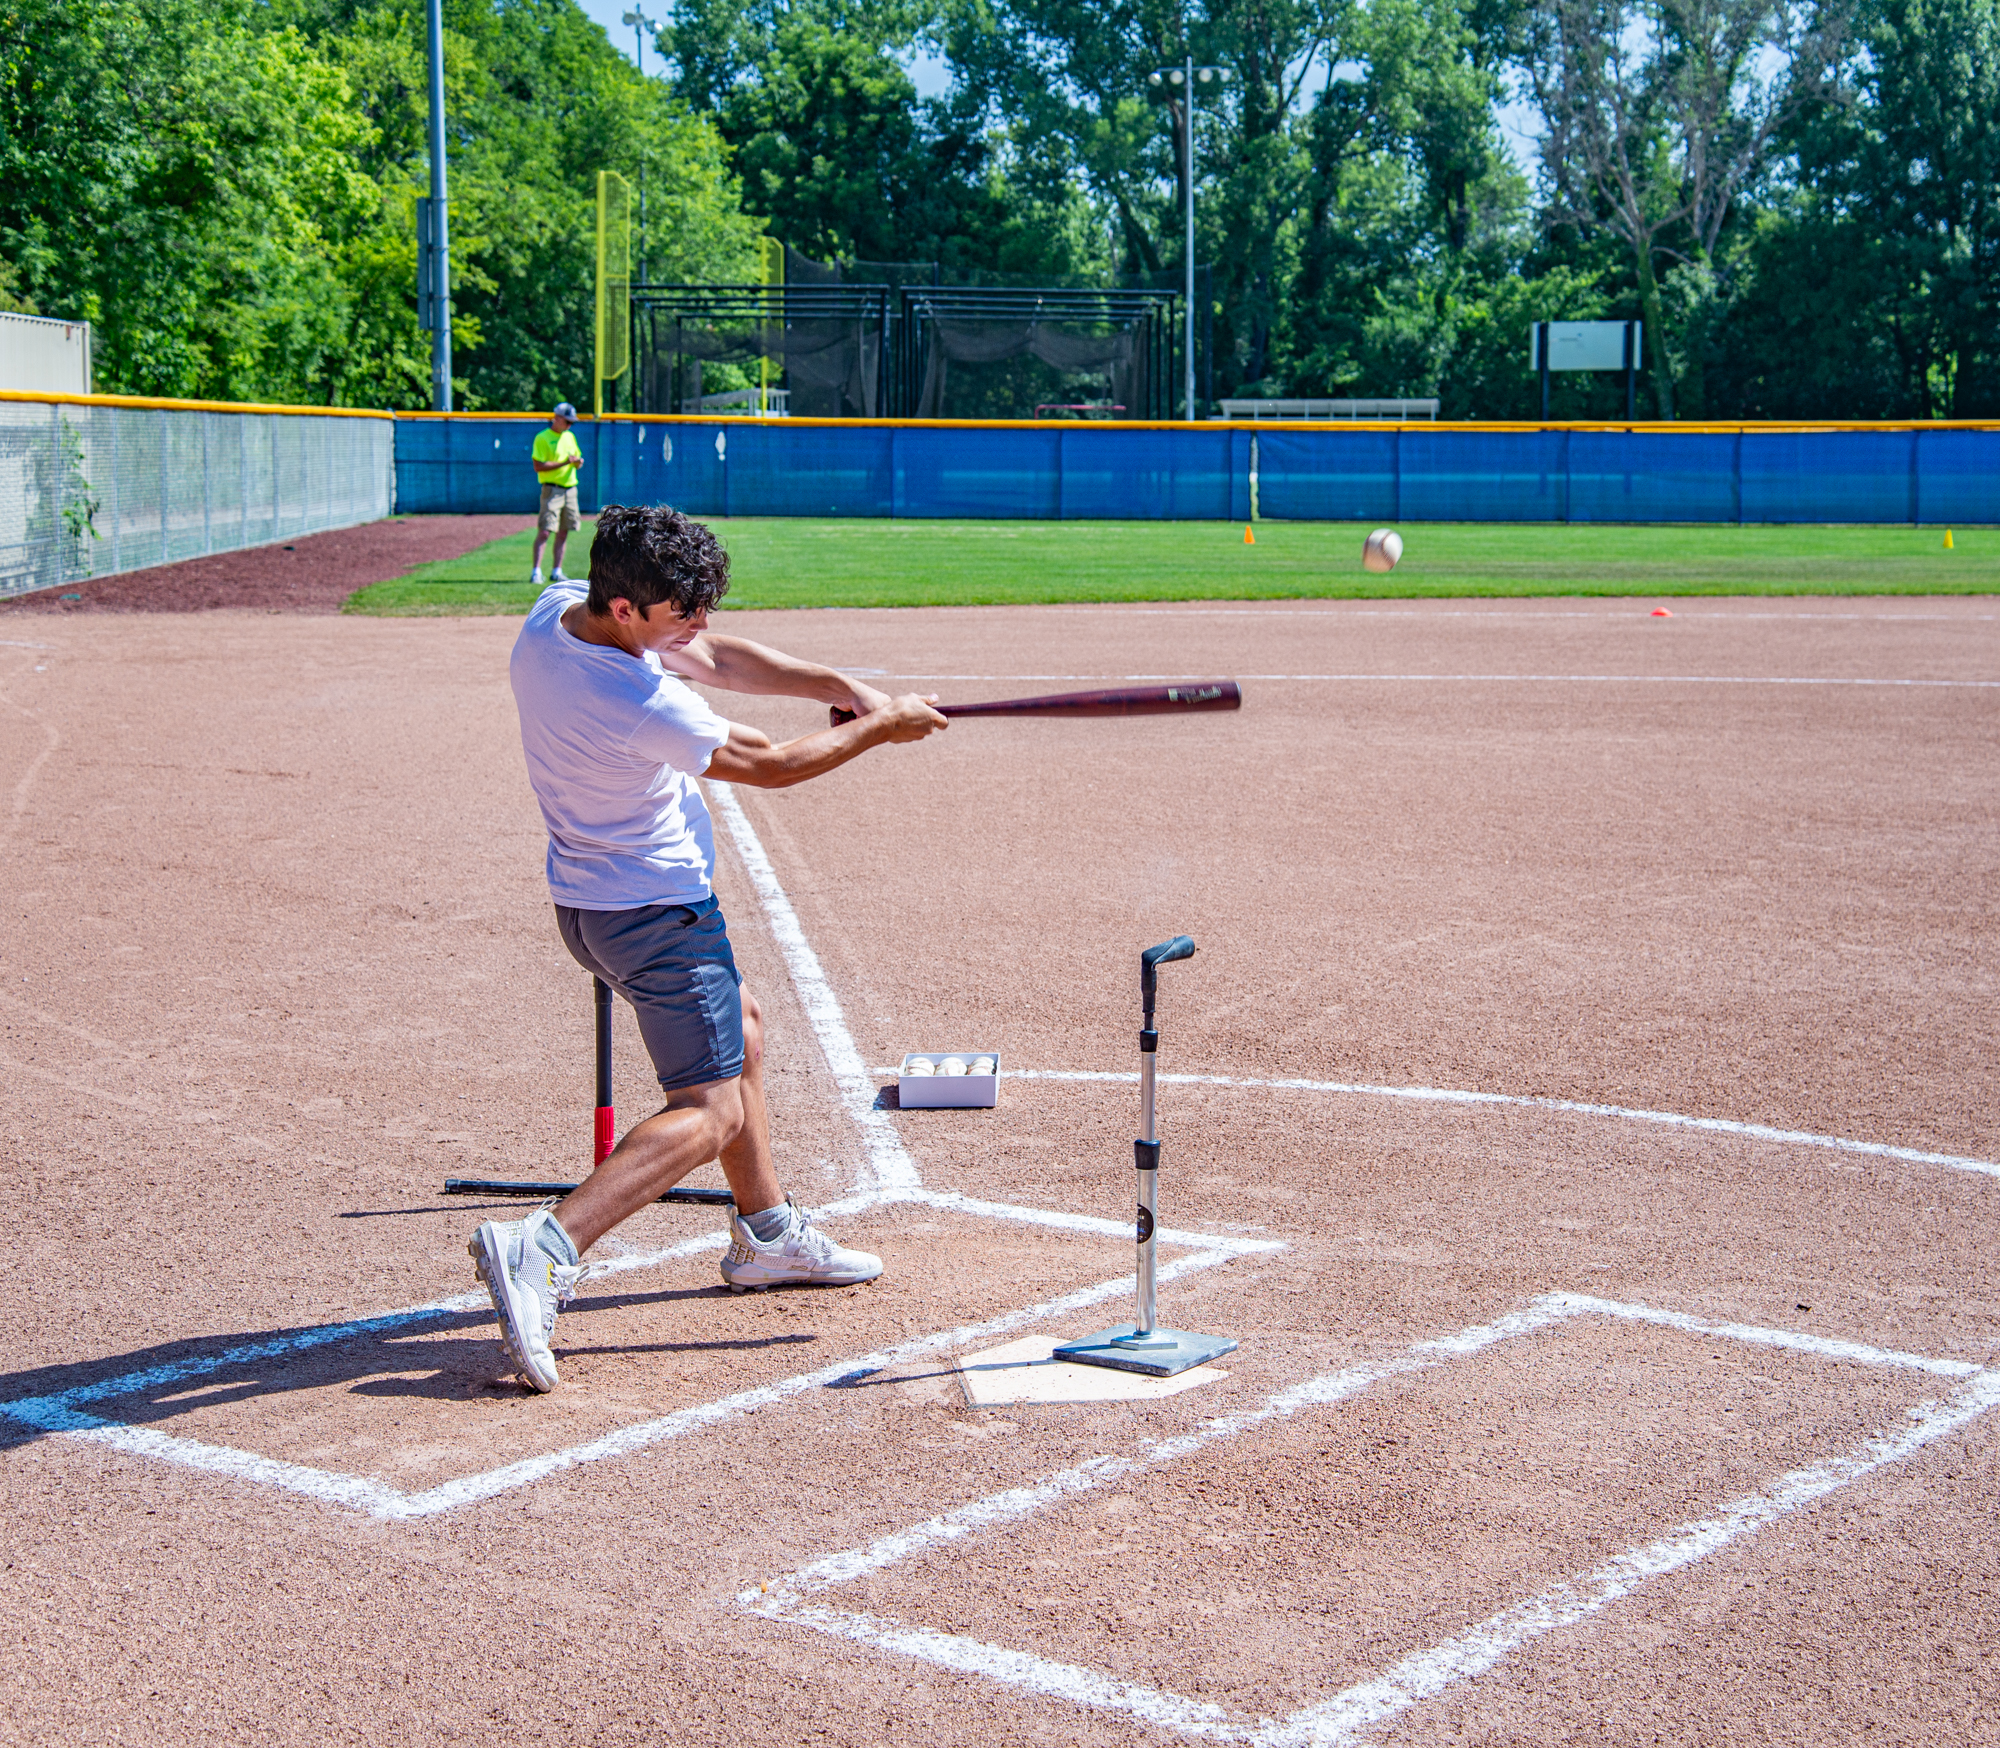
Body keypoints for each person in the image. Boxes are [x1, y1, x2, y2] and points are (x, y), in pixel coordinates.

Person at [471, 501, 947, 1392]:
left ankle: (765, 1235)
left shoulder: (559, 612)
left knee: (747, 1031)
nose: (696, 629)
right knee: (711, 1109)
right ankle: (543, 1246)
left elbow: (720, 660)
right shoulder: (632, 698)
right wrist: (878, 728)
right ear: (627, 612)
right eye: (679, 615)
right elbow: (770, 767)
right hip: (656, 917)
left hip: (593, 906)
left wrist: (841, 687)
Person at [529, 403, 584, 586]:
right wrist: (564, 463)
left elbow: (576, 460)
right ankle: (536, 571)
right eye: (567, 421)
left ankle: (556, 571)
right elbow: (538, 466)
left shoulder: (570, 436)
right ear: (557, 418)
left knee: (563, 531)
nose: (569, 425)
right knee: (545, 531)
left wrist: (577, 463)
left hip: (570, 488)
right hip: (552, 489)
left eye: (572, 422)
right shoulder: (542, 437)